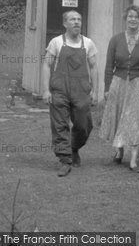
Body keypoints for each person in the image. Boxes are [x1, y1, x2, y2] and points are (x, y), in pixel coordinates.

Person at [100, 5, 139, 173]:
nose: (133, 19)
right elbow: (109, 65)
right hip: (118, 82)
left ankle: (133, 161)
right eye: (130, 16)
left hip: (138, 83)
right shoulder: (116, 40)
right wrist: (107, 87)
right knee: (118, 116)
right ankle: (118, 153)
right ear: (126, 18)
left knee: (136, 119)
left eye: (137, 17)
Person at [42, 10, 99, 177]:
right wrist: (46, 90)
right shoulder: (56, 42)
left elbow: (94, 67)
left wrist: (95, 90)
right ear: (65, 24)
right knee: (60, 125)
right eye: (72, 19)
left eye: (79, 19)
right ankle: (65, 160)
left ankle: (73, 148)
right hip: (60, 90)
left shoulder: (88, 43)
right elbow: (46, 65)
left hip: (81, 91)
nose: (76, 22)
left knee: (84, 125)